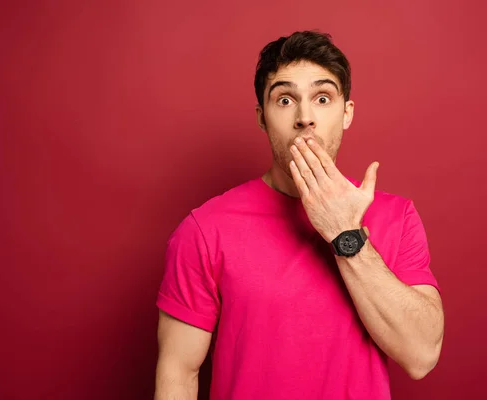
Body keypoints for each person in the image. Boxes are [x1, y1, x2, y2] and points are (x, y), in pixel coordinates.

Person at [154, 31, 444, 400]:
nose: (305, 117)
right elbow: (178, 371)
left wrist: (345, 233)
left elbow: (421, 355)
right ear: (262, 117)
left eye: (322, 98)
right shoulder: (205, 229)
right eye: (285, 99)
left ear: (346, 113)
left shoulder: (397, 216)